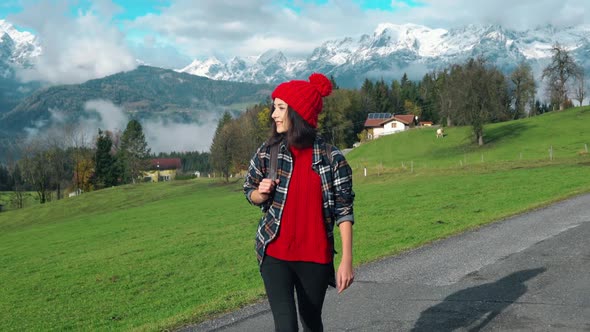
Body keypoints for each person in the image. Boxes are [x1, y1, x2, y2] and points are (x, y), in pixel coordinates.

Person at [243, 73, 355, 331]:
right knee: (286, 327)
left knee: (311, 322)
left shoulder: (331, 157)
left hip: (314, 256)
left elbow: (344, 209)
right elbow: (248, 187)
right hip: (274, 252)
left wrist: (346, 259)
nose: (274, 114)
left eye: (281, 107)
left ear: (299, 112)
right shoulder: (268, 151)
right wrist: (259, 193)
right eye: (275, 107)